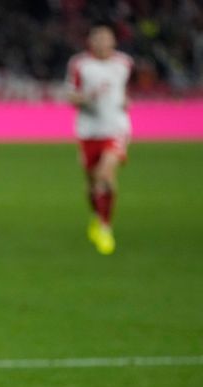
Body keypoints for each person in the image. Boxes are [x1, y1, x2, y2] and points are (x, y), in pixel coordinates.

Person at [66, 23, 133, 255]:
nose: (103, 42)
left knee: (106, 174)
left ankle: (105, 227)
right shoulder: (80, 65)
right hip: (88, 130)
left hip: (115, 128)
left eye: (107, 38)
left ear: (114, 41)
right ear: (90, 42)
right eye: (98, 38)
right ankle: (97, 215)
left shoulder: (124, 63)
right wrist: (85, 98)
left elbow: (122, 90)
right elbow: (71, 96)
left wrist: (125, 101)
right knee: (92, 184)